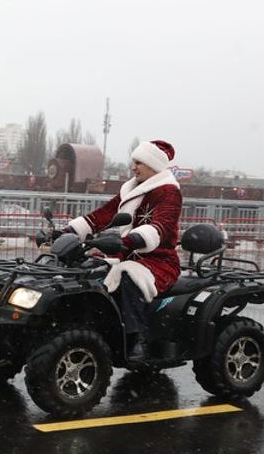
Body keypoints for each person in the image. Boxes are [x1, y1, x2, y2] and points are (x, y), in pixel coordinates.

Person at [61, 139, 182, 360]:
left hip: (158, 260)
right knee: (88, 269)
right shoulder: (131, 188)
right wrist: (69, 231)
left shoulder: (168, 192)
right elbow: (105, 214)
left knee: (129, 278)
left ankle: (136, 338)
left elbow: (161, 226)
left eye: (139, 162)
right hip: (126, 253)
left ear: (153, 165)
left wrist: (133, 239)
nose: (133, 167)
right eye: (133, 162)